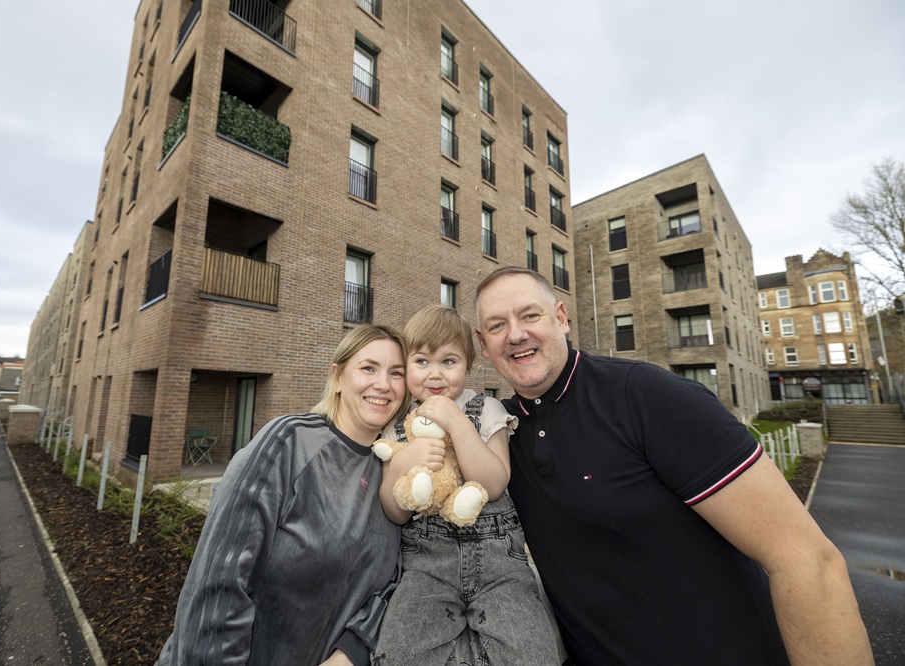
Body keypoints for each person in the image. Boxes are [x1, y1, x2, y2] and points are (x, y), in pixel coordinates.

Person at [473, 266, 873, 666]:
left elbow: (807, 561)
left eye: (530, 315)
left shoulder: (646, 396)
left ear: (561, 317)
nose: (516, 334)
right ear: (484, 343)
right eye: (496, 325)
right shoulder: (494, 434)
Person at [155, 325, 409, 666]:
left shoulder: (395, 473)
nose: (383, 384)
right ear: (337, 377)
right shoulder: (288, 442)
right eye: (368, 368)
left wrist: (352, 652)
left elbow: (394, 582)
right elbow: (219, 581)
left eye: (396, 373)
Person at [373, 305, 560, 665]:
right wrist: (402, 463)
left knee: (532, 652)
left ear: (468, 366)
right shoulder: (398, 426)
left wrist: (458, 425)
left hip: (500, 568)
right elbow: (394, 511)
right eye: (422, 361)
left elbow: (492, 483)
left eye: (449, 361)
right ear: (406, 366)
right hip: (427, 567)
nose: (435, 374)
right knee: (399, 651)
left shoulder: (485, 408)